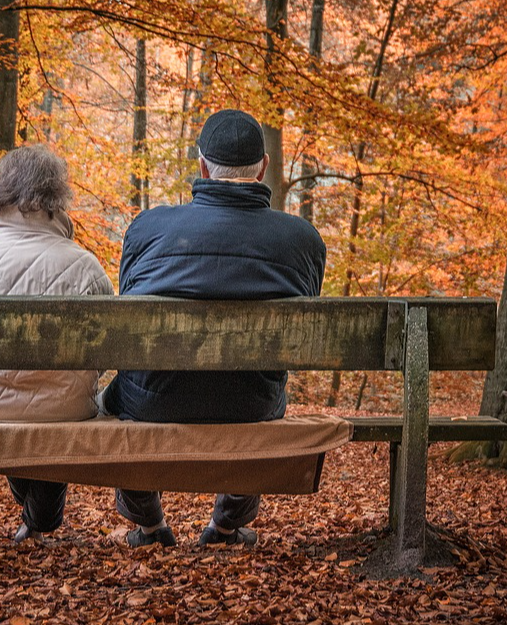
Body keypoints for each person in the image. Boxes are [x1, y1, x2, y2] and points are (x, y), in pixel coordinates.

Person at [102, 109, 326, 548]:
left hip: (153, 402)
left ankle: (148, 527)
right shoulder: (302, 240)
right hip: (250, 403)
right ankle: (226, 527)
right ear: (263, 168)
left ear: (202, 166)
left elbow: (129, 308)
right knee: (255, 389)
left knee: (124, 393)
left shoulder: (148, 228)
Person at [0, 145, 114, 543]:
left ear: (1, 195)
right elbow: (104, 355)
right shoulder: (84, 265)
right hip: (65, 407)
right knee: (50, 408)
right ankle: (42, 520)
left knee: (15, 409)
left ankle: (38, 520)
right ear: (57, 199)